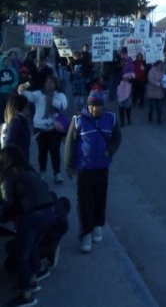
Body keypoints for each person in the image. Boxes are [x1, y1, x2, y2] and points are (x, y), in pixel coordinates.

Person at [64, 90, 121, 253]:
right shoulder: (78, 120)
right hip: (84, 169)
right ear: (88, 106)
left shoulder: (111, 118)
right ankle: (85, 234)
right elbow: (70, 144)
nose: (97, 110)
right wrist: (69, 165)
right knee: (84, 202)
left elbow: (117, 137)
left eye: (100, 106)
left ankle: (98, 225)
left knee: (100, 197)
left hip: (102, 167)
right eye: (94, 106)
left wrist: (110, 150)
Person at [0, 145, 56, 307]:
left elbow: (7, 201)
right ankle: (32, 281)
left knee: (21, 254)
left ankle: (27, 296)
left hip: (34, 216)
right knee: (31, 248)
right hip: (49, 212)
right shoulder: (29, 171)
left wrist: (3, 217)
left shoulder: (10, 174)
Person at [18, 75, 68, 184]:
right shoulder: (38, 94)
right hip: (39, 127)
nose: (48, 84)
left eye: (51, 82)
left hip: (54, 128)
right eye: (47, 82)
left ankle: (57, 174)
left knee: (55, 151)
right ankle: (42, 172)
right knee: (42, 151)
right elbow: (25, 94)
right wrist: (23, 87)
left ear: (55, 84)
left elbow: (62, 106)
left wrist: (52, 101)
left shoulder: (60, 95)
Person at [2, 95, 31, 161]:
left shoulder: (21, 120)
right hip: (17, 161)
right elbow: (9, 142)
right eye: (26, 107)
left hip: (21, 159)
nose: (28, 112)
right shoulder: (16, 122)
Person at [146, 60, 165, 124]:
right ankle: (150, 115)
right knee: (151, 106)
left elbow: (165, 79)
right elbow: (150, 79)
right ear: (157, 65)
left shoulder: (163, 71)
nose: (161, 66)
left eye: (162, 64)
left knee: (159, 107)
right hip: (152, 91)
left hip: (160, 92)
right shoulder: (152, 70)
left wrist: (165, 83)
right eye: (160, 64)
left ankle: (159, 119)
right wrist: (158, 84)